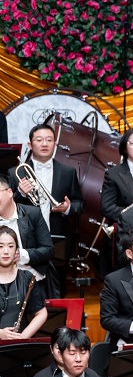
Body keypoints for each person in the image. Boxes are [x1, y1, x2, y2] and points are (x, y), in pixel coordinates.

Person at [10, 123, 83, 298]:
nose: (44, 144)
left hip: (58, 238)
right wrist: (20, 193)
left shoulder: (68, 172)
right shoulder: (15, 173)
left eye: (49, 140)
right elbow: (5, 205)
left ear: (55, 144)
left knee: (58, 288)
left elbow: (80, 204)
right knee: (25, 290)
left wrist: (68, 208)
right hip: (27, 239)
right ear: (30, 144)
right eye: (39, 140)